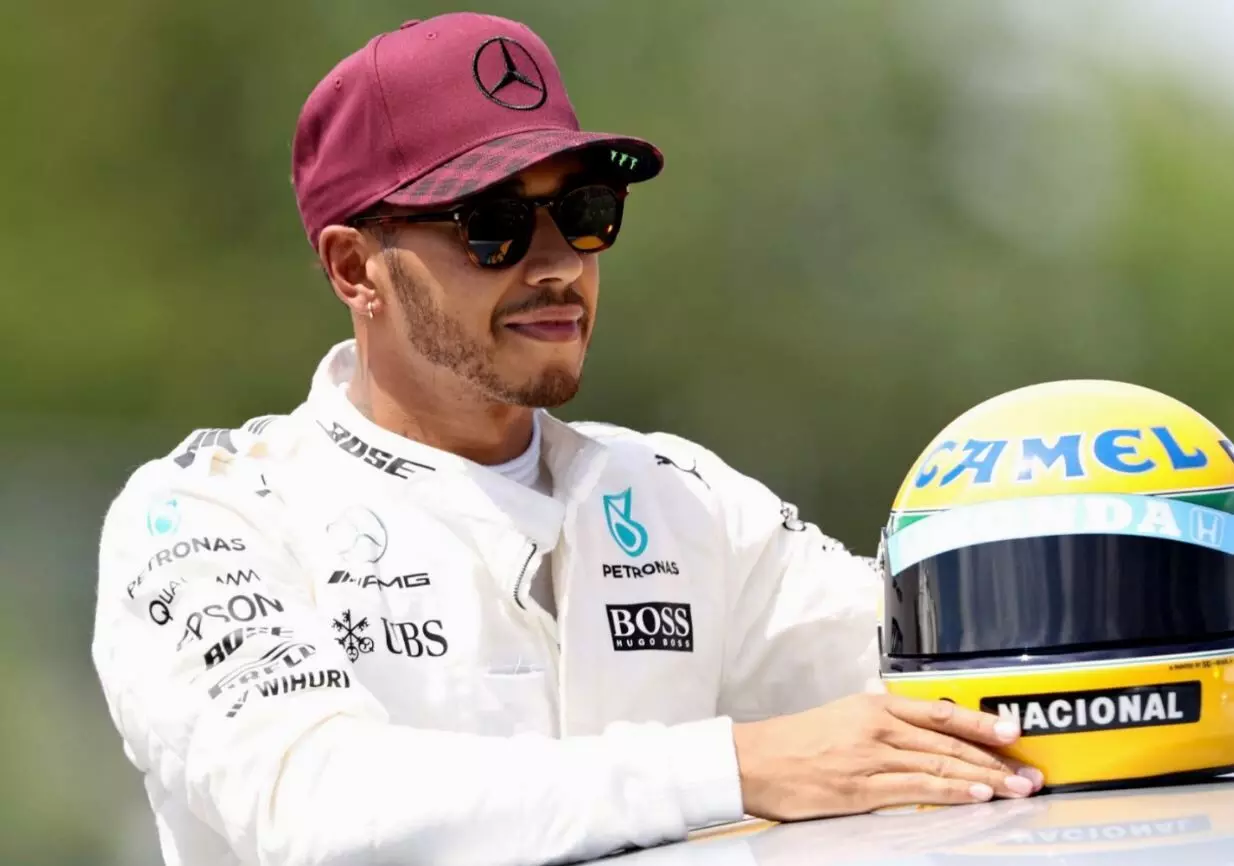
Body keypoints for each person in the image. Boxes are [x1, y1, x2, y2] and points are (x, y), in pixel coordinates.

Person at [91, 12, 1042, 866]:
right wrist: (735, 767)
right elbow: (321, 812)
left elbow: (976, 677)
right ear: (353, 267)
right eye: (493, 224)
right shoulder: (204, 515)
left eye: (586, 213)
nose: (557, 264)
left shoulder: (683, 497)